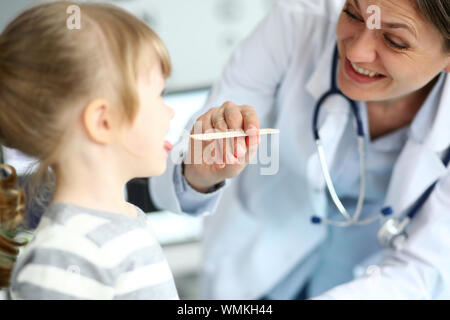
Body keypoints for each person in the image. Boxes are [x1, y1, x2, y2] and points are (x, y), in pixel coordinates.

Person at [150, 0, 450, 299]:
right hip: (255, 275)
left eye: (394, 41)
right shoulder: (298, 24)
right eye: (353, 14)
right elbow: (176, 166)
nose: (356, 51)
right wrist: (200, 172)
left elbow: (422, 270)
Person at [0, 1, 255, 300]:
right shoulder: (62, 258)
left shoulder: (123, 221)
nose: (169, 113)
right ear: (103, 121)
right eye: (158, 95)